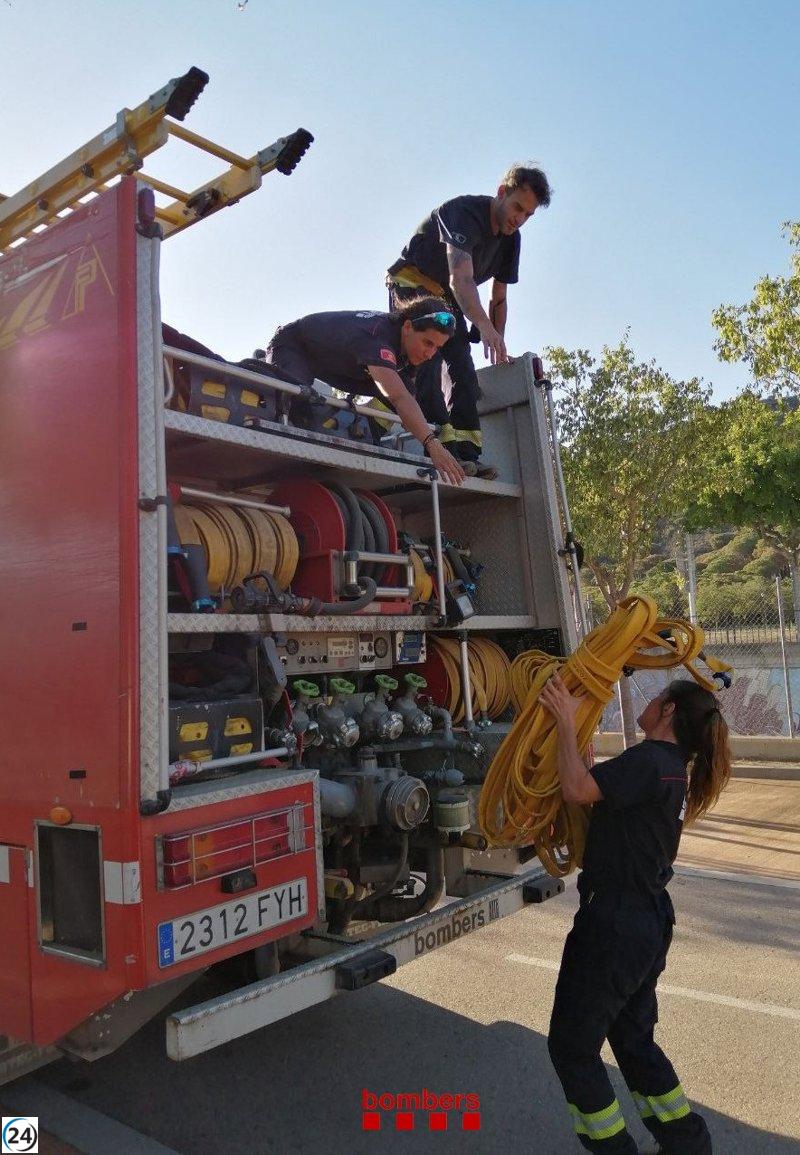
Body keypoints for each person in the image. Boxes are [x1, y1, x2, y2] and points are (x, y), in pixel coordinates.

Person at [538, 676, 732, 1155]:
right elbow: (596, 792)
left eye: (658, 697)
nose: (650, 702)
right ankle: (688, 1144)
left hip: (615, 924)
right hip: (645, 920)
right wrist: (578, 749)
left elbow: (576, 789)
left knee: (572, 1048)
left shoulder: (649, 761)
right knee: (632, 1040)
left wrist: (565, 720)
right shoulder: (670, 768)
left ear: (668, 711)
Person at [387, 164, 551, 470]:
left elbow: (498, 297)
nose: (519, 219)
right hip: (413, 283)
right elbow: (460, 278)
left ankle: (466, 454)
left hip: (447, 297)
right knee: (428, 359)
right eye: (517, 207)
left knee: (463, 367)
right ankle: (436, 446)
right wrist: (483, 326)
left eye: (528, 215)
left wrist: (497, 343)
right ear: (502, 193)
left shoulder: (511, 239)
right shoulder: (463, 212)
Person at [264, 296, 466, 486]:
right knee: (296, 403)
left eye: (436, 347)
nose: (430, 354)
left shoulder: (405, 348)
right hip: (292, 345)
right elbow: (398, 397)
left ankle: (371, 439)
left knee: (408, 399)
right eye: (427, 343)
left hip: (330, 361)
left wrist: (425, 436)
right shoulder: (378, 337)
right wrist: (432, 444)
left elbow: (408, 401)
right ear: (407, 327)